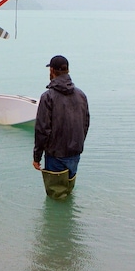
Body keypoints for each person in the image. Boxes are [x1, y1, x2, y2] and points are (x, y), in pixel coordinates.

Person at [32, 55, 90, 199]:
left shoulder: (48, 97)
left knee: (56, 197)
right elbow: (86, 123)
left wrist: (37, 157)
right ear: (68, 70)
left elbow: (42, 129)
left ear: (51, 70)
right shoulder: (81, 95)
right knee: (68, 194)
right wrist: (78, 144)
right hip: (75, 154)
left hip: (55, 155)